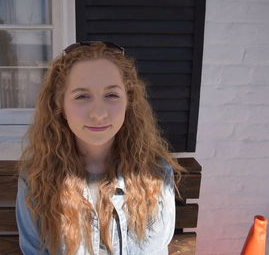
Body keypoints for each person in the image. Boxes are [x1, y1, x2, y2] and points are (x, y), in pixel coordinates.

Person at [15, 41, 184, 255]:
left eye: (111, 95)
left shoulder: (156, 174)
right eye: (82, 96)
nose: (98, 113)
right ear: (61, 106)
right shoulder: (35, 178)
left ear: (128, 101)